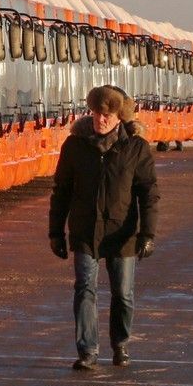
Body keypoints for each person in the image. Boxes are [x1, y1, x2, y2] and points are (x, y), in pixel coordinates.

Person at [48, 85, 159, 370]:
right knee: (85, 289)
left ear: (120, 117)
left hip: (122, 232)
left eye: (107, 115)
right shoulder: (75, 146)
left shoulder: (136, 148)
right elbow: (61, 191)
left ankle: (120, 343)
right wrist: (56, 232)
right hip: (85, 231)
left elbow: (148, 193)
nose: (101, 120)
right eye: (97, 113)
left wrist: (148, 233)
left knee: (123, 293)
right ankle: (88, 351)